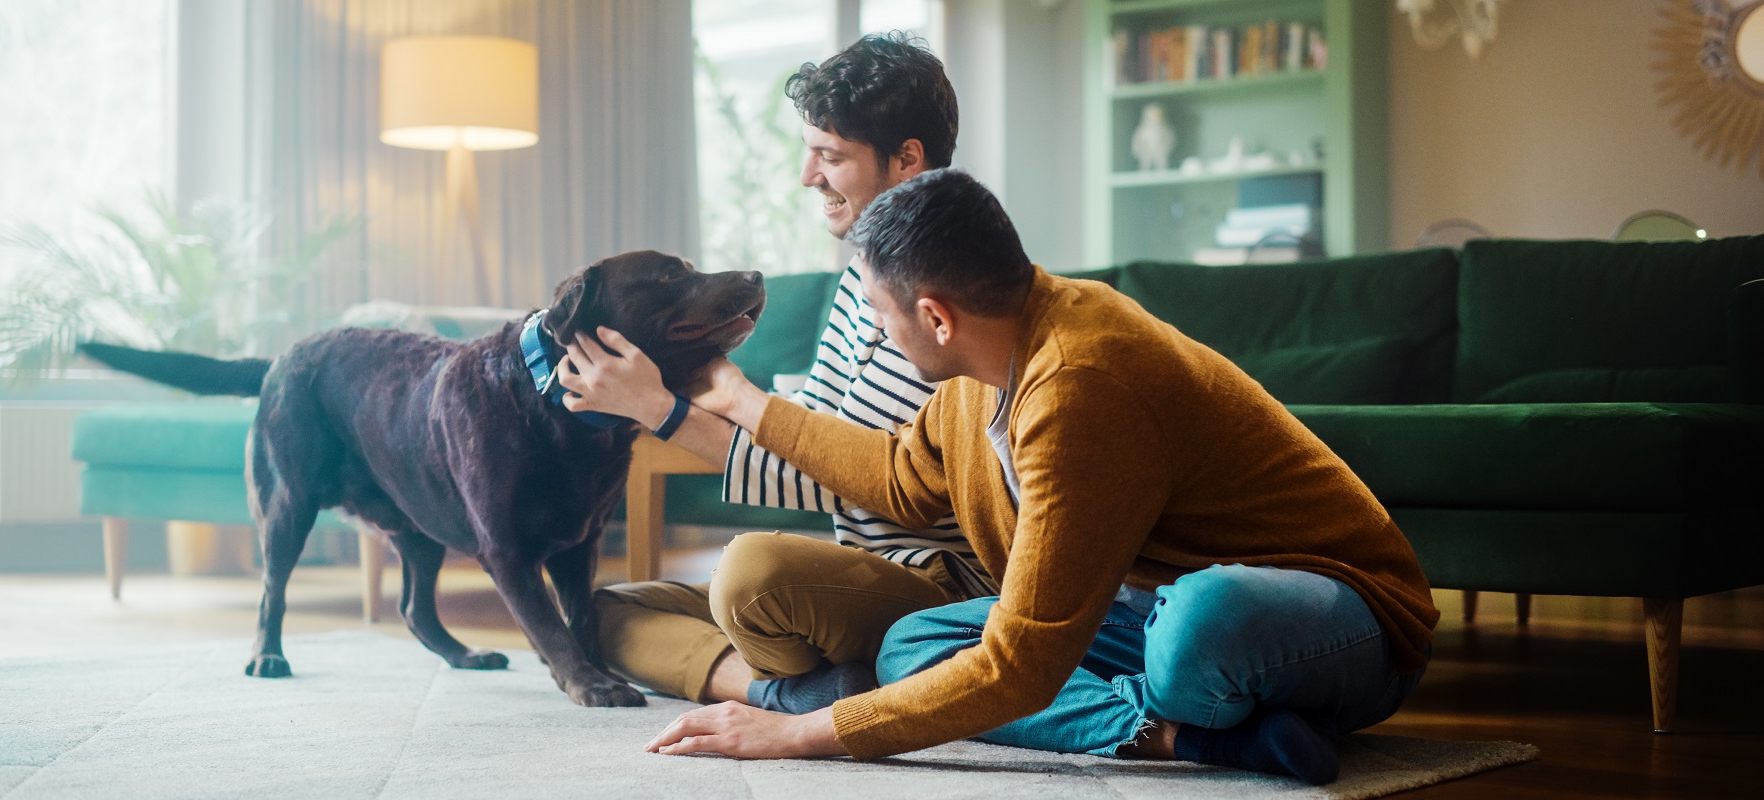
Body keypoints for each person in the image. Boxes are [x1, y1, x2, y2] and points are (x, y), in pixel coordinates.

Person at [560, 169, 1440, 785]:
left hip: (1335, 616)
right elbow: (901, 479)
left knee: (1202, 630)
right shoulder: (987, 361)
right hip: (1142, 607)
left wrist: (802, 732)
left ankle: (1191, 709)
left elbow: (1022, 664)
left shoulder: (1084, 380)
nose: (876, 327)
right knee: (913, 649)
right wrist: (743, 402)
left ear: (935, 316)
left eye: (876, 310)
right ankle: (1193, 739)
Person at [586, 33, 992, 716]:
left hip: (938, 589)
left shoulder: (943, 307)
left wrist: (665, 410)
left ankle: (832, 673)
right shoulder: (857, 285)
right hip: (852, 576)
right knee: (596, 615)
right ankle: (790, 691)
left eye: (830, 156)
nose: (808, 176)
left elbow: (828, 477)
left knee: (751, 573)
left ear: (906, 162)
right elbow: (813, 441)